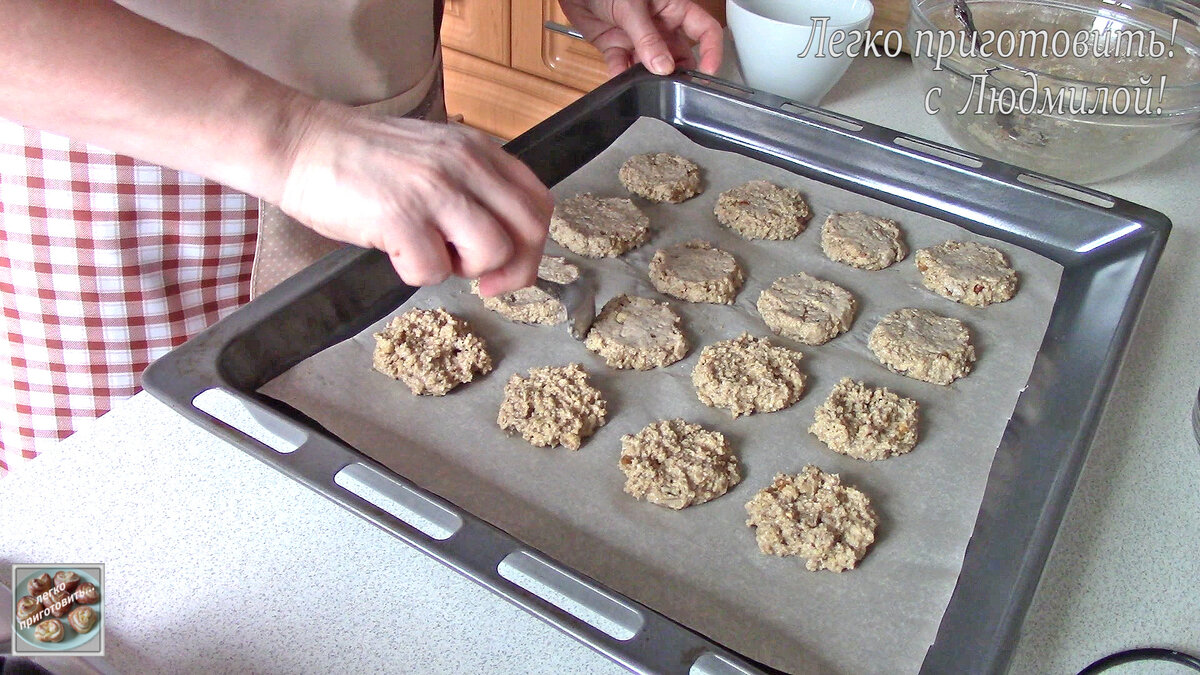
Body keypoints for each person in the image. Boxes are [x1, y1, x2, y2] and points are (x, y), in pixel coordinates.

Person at [0, 0, 723, 474]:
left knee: (356, 499)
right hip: (129, 169)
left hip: (391, 138)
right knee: (90, 554)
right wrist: (292, 136)